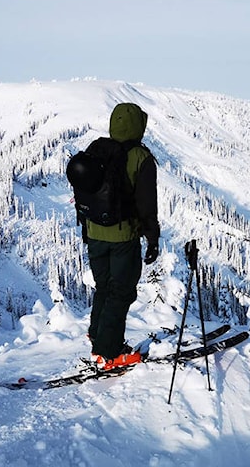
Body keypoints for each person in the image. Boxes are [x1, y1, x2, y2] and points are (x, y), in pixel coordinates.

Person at [83, 102, 160, 370]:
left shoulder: (97, 150)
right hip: (122, 237)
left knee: (104, 287)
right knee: (121, 291)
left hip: (94, 233)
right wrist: (152, 239)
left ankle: (98, 337)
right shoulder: (141, 158)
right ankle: (110, 353)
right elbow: (147, 205)